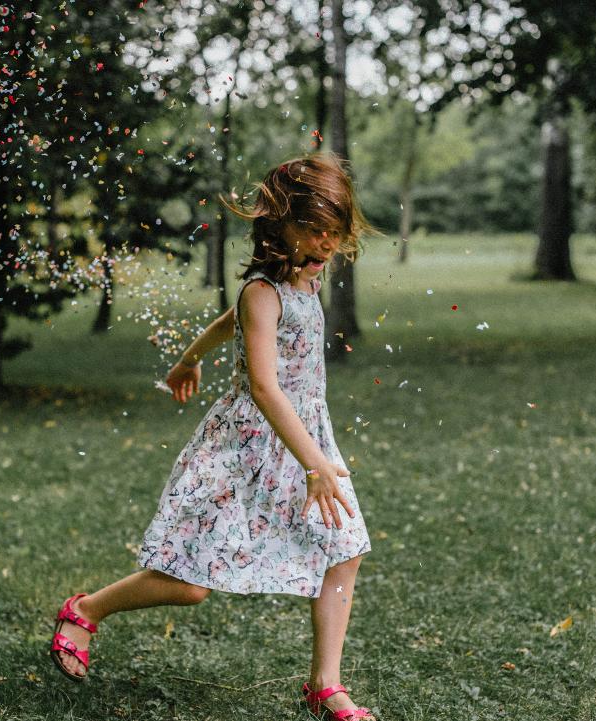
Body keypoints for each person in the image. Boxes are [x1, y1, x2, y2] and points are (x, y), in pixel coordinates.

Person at [50, 153, 379, 720]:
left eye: (334, 231)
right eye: (314, 230)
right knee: (190, 584)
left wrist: (188, 359)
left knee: (342, 551)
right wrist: (315, 464)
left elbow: (229, 324)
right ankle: (85, 610)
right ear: (281, 223)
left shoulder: (307, 274)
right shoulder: (263, 289)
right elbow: (263, 385)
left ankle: (326, 684)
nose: (326, 243)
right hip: (246, 448)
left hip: (302, 439)